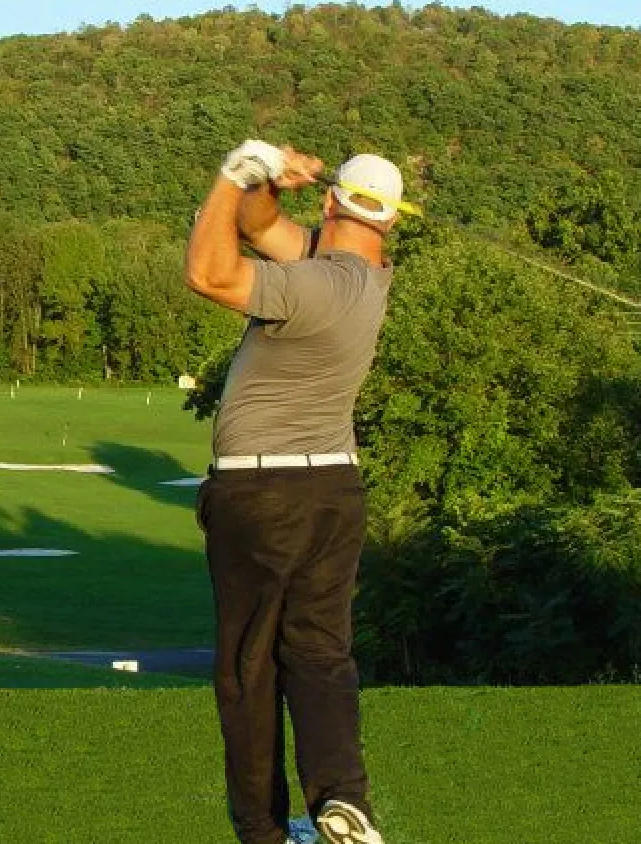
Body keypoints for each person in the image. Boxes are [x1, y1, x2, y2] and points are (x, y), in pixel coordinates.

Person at [182, 139, 404, 844]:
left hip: (261, 493)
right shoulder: (364, 278)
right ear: (391, 223)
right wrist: (270, 182)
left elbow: (209, 271)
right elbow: (256, 228)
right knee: (320, 652)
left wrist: (232, 173)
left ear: (333, 203)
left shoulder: (312, 286)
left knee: (249, 669)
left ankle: (263, 831)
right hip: (334, 489)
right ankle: (344, 802)